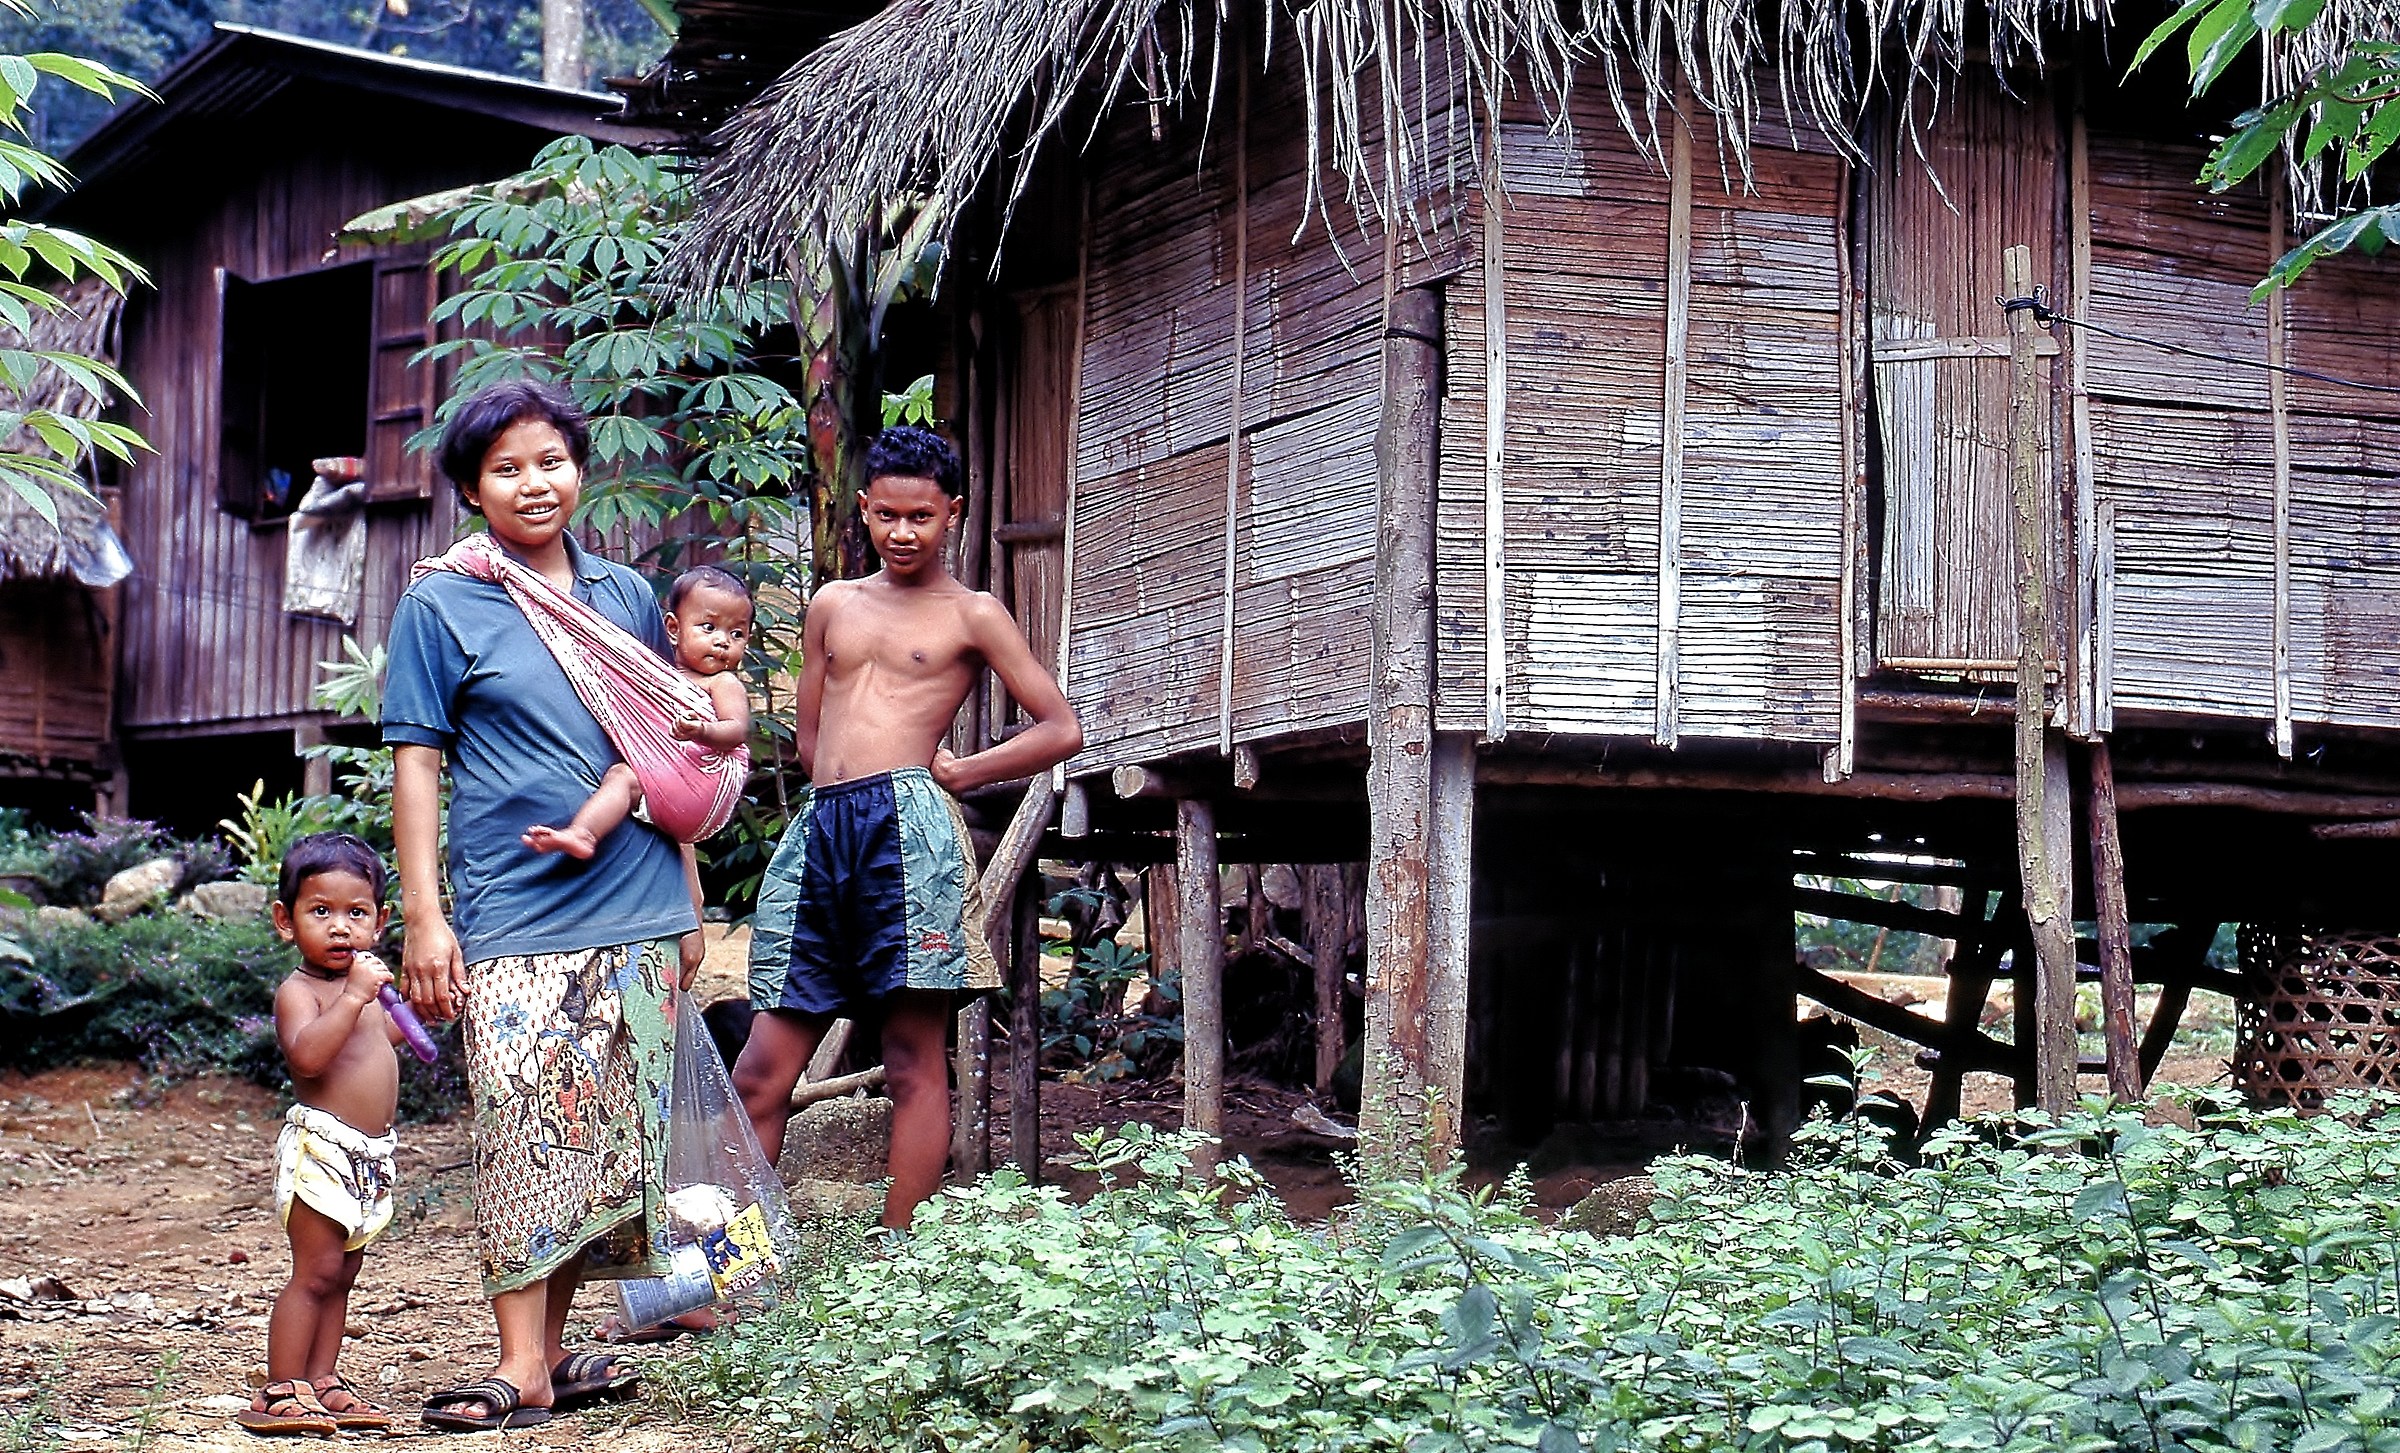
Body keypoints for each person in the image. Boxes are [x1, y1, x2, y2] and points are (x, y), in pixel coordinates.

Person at [385, 377, 707, 1433]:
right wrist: (426, 918)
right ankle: (521, 1359)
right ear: (473, 488)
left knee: (607, 1143)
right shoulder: (442, 602)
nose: (535, 483)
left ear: (581, 466)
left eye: (551, 460)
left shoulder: (621, 598)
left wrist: (692, 897)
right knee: (525, 1129)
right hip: (513, 914)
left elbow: (665, 753)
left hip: (640, 902)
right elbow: (419, 766)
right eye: (508, 468)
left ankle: (543, 1358)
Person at [735, 425, 1082, 1233]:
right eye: (886, 515)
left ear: (952, 514)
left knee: (913, 1062)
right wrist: (836, 798)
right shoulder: (832, 605)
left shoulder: (974, 614)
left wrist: (965, 771)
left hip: (908, 838)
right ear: (863, 509)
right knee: (760, 1070)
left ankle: (896, 1264)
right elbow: (811, 737)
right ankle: (729, 1268)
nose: (901, 533)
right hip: (823, 834)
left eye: (920, 517)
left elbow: (1060, 727)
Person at [240, 832, 401, 1438]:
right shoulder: (299, 991)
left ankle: (322, 1378)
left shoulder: (364, 992)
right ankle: (282, 1386)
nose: (340, 929)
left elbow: (373, 1043)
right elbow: (309, 1057)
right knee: (313, 1270)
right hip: (323, 1150)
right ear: (286, 920)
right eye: (321, 912)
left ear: (379, 922)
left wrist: (419, 1011)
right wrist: (357, 997)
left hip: (371, 1155)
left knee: (343, 1272)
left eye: (356, 913)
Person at [523, 564, 755, 859]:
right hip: (666, 794)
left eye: (737, 634)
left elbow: (736, 731)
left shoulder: (722, 682)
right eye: (709, 628)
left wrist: (702, 731)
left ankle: (584, 833)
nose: (723, 641)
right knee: (622, 778)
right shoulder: (654, 678)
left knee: (622, 775)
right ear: (673, 629)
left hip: (704, 786)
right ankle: (584, 833)